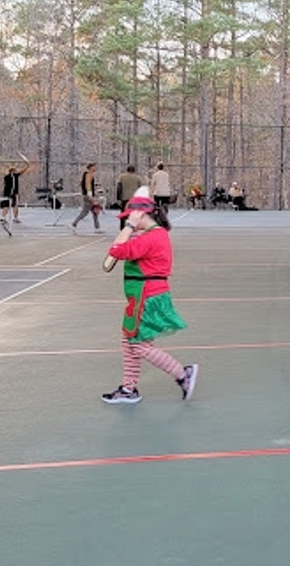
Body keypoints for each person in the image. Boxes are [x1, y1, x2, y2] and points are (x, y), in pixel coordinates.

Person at [101, 186, 198, 405]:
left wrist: (129, 227)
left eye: (132, 218)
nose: (129, 223)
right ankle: (128, 388)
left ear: (142, 215)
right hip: (142, 296)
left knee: (138, 344)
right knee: (129, 341)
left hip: (147, 296)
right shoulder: (153, 235)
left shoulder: (152, 237)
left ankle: (183, 374)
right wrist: (132, 229)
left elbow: (116, 250)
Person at [0, 154, 31, 227]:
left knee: (15, 206)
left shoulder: (15, 176)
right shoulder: (7, 177)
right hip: (8, 193)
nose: (16, 171)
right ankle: (3, 219)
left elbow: (23, 171)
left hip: (15, 193)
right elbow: (10, 174)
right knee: (6, 206)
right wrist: (27, 166)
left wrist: (27, 165)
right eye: (15, 170)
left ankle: (15, 218)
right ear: (12, 171)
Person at [71, 163, 103, 233]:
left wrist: (95, 185)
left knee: (95, 211)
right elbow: (87, 184)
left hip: (88, 194)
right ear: (91, 168)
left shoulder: (86, 175)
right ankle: (74, 223)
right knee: (85, 212)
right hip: (88, 195)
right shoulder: (89, 175)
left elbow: (84, 183)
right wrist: (90, 194)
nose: (96, 168)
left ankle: (97, 227)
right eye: (94, 167)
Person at [114, 165, 143, 229]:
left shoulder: (122, 177)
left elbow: (119, 187)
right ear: (134, 170)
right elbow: (140, 188)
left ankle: (122, 226)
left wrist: (118, 198)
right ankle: (134, 226)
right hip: (135, 199)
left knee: (123, 212)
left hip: (125, 197)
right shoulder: (138, 178)